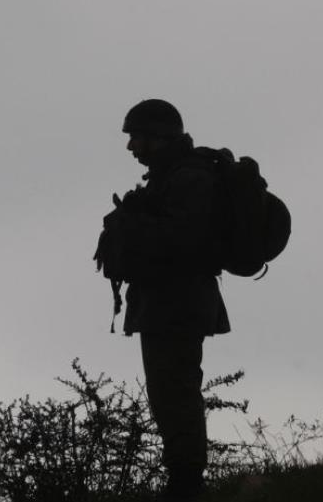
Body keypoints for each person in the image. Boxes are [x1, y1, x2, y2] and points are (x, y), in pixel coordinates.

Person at [97, 99, 229, 500]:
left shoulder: (188, 178)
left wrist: (132, 223)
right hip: (166, 303)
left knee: (176, 391)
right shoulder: (168, 177)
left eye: (136, 137)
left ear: (159, 137)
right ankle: (184, 477)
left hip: (179, 303)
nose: (130, 147)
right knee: (168, 392)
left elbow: (180, 242)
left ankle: (187, 482)